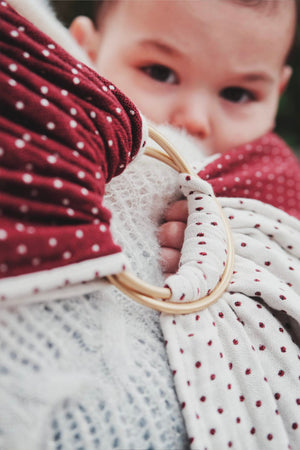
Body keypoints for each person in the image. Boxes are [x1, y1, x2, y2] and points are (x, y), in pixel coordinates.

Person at [69, 0, 299, 275]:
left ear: (277, 92)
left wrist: (245, 256)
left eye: (236, 94)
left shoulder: (272, 182)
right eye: (160, 72)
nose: (194, 119)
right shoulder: (52, 126)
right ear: (84, 50)